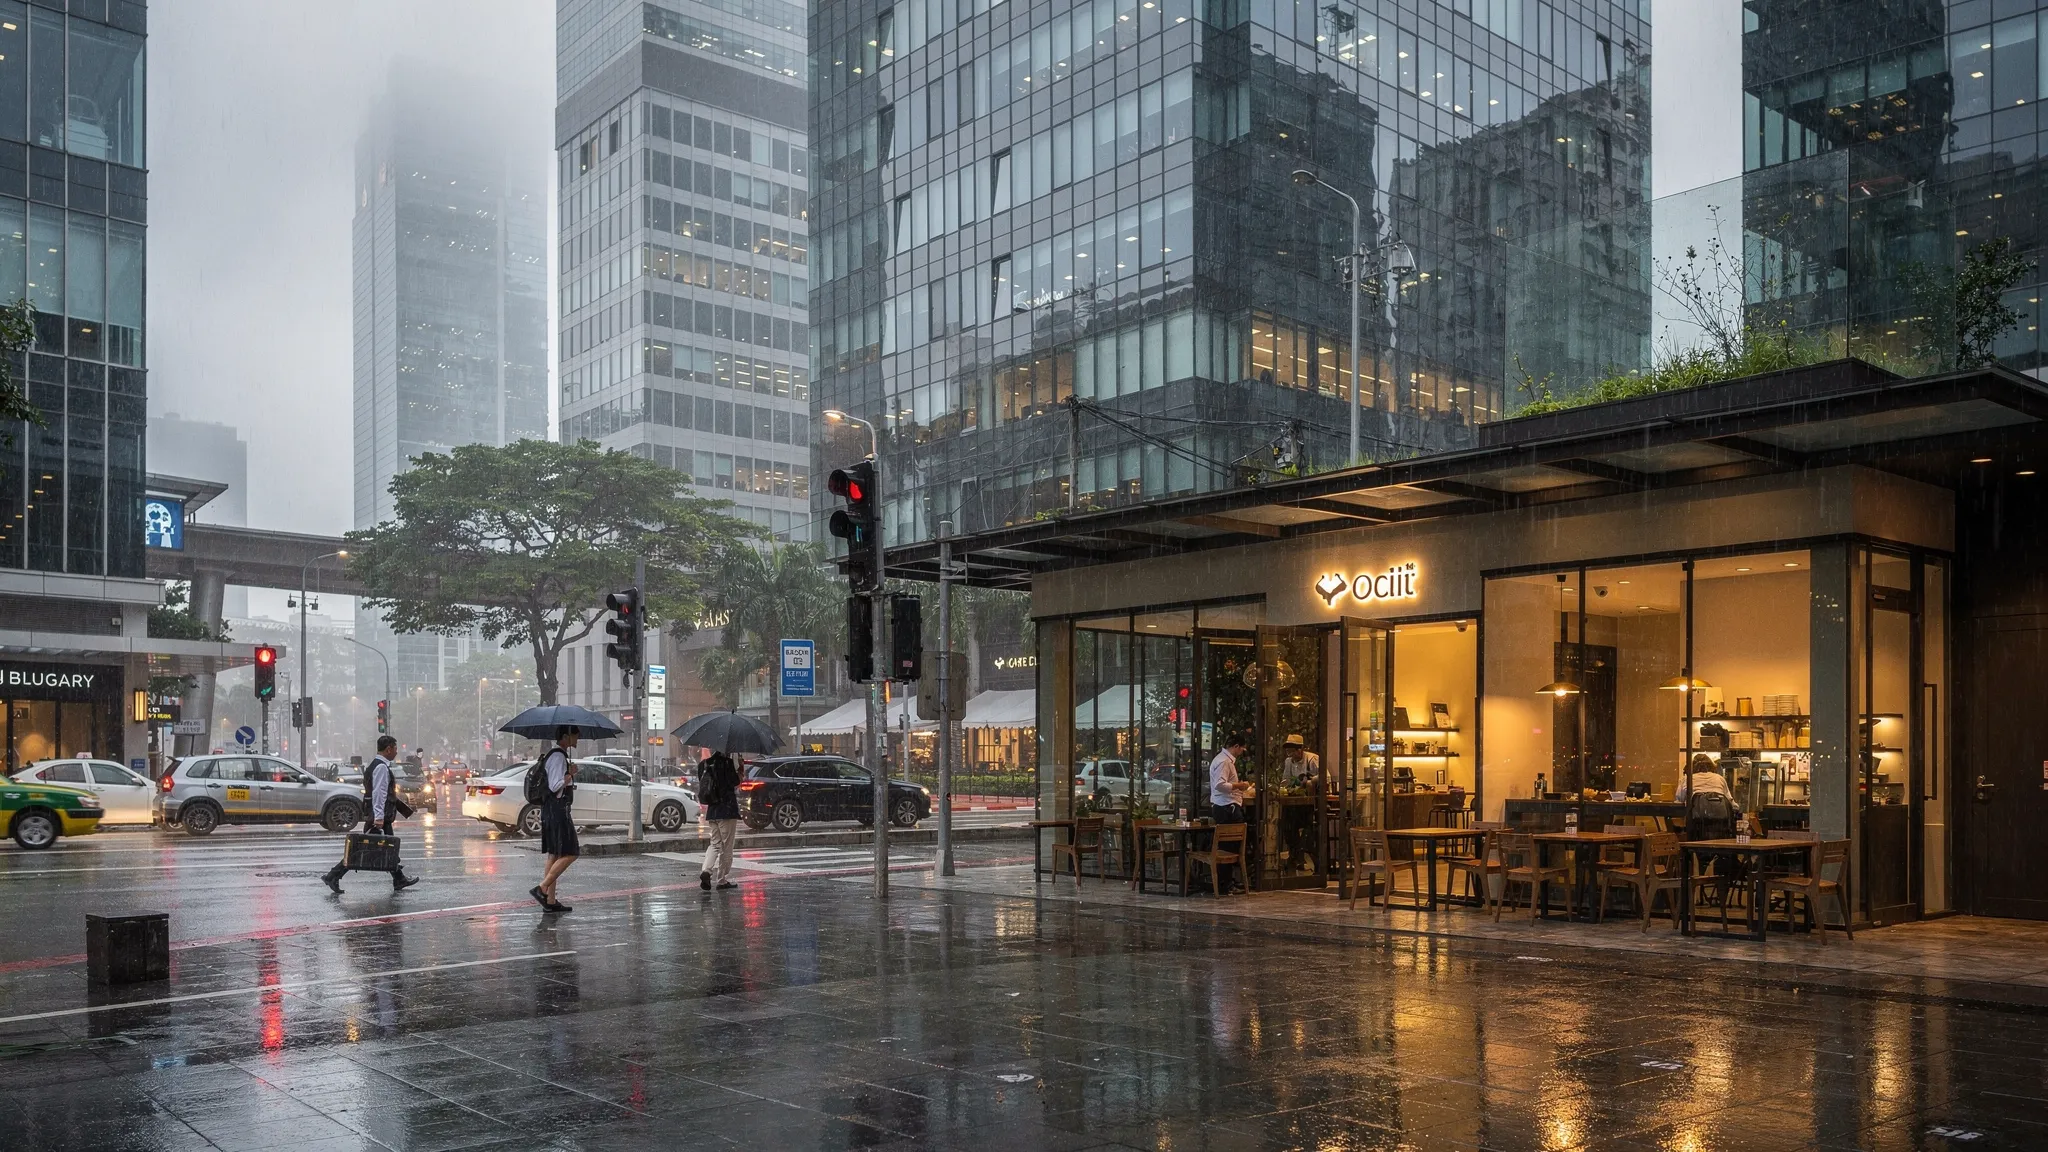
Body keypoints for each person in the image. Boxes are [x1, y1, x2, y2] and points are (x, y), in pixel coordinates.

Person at [322, 735, 419, 894]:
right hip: (379, 816)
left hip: (379, 815)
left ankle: (398, 878)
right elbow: (379, 793)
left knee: (387, 848)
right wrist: (379, 817)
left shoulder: (377, 765)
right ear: (388, 749)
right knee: (361, 849)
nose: (396, 752)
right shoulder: (381, 767)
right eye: (395, 749)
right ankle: (333, 875)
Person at [532, 727, 581, 912]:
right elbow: (555, 786)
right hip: (557, 811)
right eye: (575, 736)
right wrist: (570, 775)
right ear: (566, 736)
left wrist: (568, 773)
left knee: (554, 854)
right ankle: (542, 888)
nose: (577, 739)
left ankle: (550, 901)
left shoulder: (556, 756)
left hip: (551, 810)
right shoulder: (558, 756)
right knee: (571, 852)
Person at [1206, 733, 1251, 894]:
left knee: (1230, 845)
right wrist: (1240, 785)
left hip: (1226, 806)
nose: (1242, 751)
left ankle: (1228, 881)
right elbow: (1219, 785)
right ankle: (1225, 884)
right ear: (1236, 746)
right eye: (1242, 748)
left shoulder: (1222, 760)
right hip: (1227, 807)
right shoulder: (1224, 761)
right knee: (1228, 846)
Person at [697, 751, 742, 891]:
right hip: (727, 810)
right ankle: (722, 880)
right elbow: (735, 782)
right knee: (727, 846)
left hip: (713, 810)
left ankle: (706, 871)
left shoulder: (704, 764)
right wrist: (739, 768)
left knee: (715, 844)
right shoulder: (727, 763)